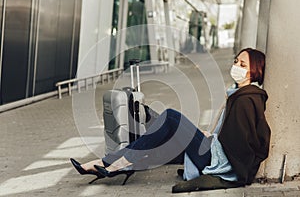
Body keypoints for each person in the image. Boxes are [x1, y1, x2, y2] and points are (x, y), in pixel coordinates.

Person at [70, 48, 271, 191]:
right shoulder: (239, 93)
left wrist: (211, 141)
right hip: (213, 150)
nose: (236, 66)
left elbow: (241, 141)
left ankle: (113, 163)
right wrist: (209, 135)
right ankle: (120, 164)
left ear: (256, 71)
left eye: (243, 64)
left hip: (216, 160)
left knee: (170, 117)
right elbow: (231, 132)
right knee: (162, 142)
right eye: (236, 61)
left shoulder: (246, 99)